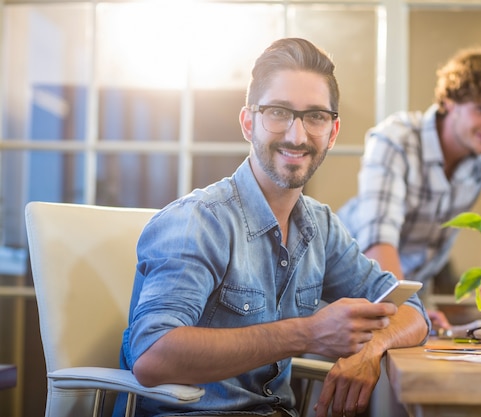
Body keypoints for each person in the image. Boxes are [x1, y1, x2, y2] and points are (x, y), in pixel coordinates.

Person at [115, 37, 430, 417]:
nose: (297, 136)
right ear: (249, 123)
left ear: (332, 132)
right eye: (279, 112)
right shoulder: (199, 221)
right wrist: (308, 333)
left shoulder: (320, 226)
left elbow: (410, 309)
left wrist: (371, 349)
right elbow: (152, 355)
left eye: (315, 116)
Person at [337, 47, 481, 331]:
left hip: (410, 286)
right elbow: (379, 241)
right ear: (450, 101)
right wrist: (409, 313)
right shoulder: (396, 139)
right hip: (349, 283)